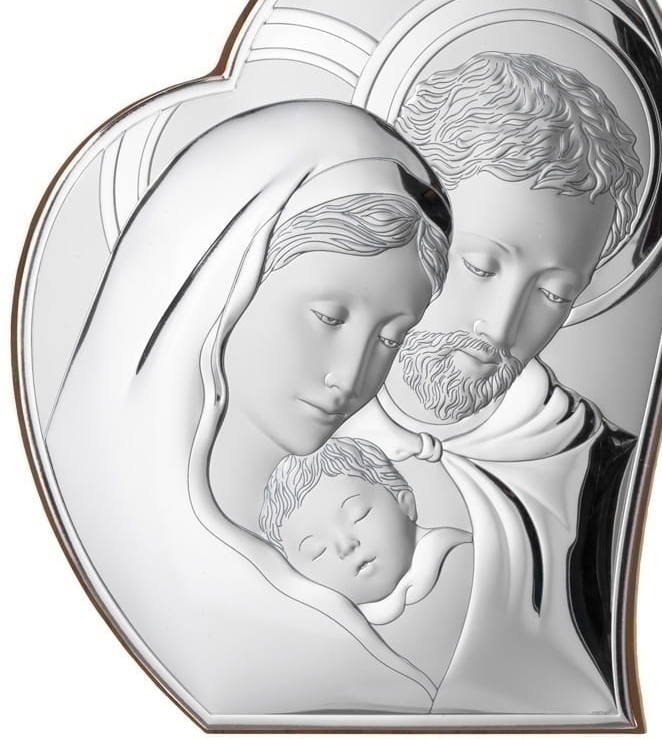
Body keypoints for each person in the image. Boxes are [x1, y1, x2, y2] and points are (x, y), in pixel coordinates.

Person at [45, 100, 452, 716]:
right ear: (224, 287)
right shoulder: (71, 531)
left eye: (391, 338)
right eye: (328, 317)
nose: (350, 376)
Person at [343, 52, 643, 714]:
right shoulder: (283, 417)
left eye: (553, 294)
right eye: (479, 266)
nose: (500, 327)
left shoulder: (610, 478)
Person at [259, 436, 471, 619]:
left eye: (358, 515)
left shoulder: (458, 556)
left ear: (405, 503)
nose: (346, 546)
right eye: (317, 551)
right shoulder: (337, 625)